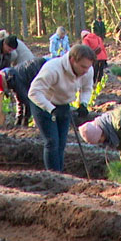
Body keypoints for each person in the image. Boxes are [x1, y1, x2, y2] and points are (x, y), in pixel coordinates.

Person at [28, 44, 95, 172]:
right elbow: (34, 92)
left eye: (88, 67)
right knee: (52, 142)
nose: (86, 70)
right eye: (83, 67)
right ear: (72, 60)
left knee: (61, 143)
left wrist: (84, 103)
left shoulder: (87, 70)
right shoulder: (53, 68)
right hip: (43, 104)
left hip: (63, 105)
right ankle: (53, 176)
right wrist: (51, 109)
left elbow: (87, 88)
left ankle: (60, 174)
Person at [0, 57, 48, 127]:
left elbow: (27, 101)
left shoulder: (15, 80)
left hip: (43, 68)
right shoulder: (9, 76)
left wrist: (25, 120)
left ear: (3, 82)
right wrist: (19, 119)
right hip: (38, 67)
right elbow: (19, 99)